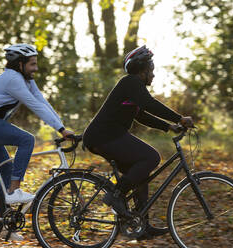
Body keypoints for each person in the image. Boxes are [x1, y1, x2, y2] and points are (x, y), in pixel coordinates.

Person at [0, 43, 74, 240]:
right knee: (26, 139)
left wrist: (62, 127)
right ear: (20, 64)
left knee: (6, 168)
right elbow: (33, 105)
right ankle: (14, 191)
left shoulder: (25, 79)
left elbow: (42, 102)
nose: (35, 68)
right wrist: (61, 129)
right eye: (32, 64)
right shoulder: (12, 79)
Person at [83, 45, 194, 240]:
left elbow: (141, 114)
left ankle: (142, 226)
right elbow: (149, 104)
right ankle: (116, 195)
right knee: (151, 157)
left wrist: (168, 127)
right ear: (142, 71)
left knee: (141, 174)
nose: (153, 75)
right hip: (104, 136)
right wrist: (179, 118)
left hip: (108, 136)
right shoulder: (131, 83)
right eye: (151, 70)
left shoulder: (133, 87)